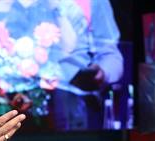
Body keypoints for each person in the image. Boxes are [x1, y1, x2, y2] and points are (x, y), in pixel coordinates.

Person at [51, 0, 124, 130]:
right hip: (23, 98)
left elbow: (110, 55)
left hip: (74, 99)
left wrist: (102, 71)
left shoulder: (94, 2)